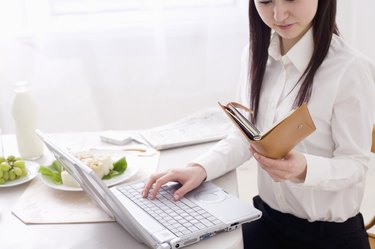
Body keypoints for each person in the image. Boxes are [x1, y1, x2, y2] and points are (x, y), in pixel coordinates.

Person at [143, 0, 375, 248]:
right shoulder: (255, 54)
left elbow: (355, 165)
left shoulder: (350, 69)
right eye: (265, 1)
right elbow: (246, 137)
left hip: (328, 236)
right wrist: (200, 168)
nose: (278, 14)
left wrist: (304, 168)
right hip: (266, 220)